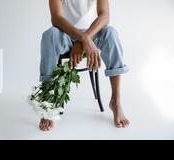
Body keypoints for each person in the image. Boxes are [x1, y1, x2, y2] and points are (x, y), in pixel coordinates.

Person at [39, 0, 130, 131]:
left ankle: (116, 102)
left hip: (93, 33)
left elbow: (104, 16)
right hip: (65, 34)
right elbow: (56, 18)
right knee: (49, 35)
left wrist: (85, 38)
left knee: (111, 33)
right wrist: (82, 38)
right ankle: (49, 104)